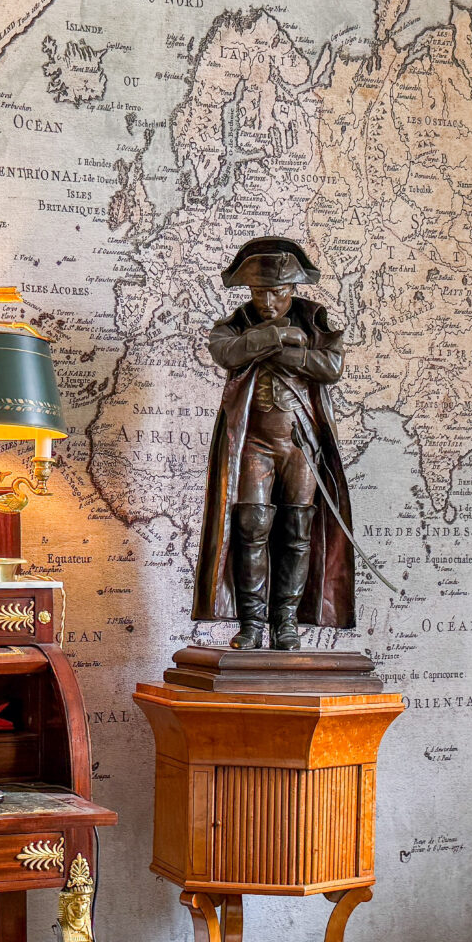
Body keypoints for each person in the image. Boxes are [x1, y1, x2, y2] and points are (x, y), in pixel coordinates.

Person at [193, 237, 356, 649]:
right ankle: (251, 624)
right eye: (259, 292)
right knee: (251, 527)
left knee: (298, 529)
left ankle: (285, 622)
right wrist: (277, 336)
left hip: (301, 442)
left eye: (277, 292)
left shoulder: (315, 321)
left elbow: (331, 366)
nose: (267, 301)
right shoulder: (236, 324)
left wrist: (281, 350)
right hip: (254, 443)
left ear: (293, 289)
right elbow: (226, 353)